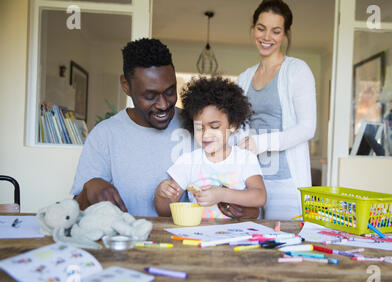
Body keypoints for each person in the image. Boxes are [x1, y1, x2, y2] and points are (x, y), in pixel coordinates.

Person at [70, 38, 188, 216]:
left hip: (187, 241)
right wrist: (89, 189)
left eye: (170, 91)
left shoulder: (198, 127)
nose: (163, 105)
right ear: (126, 85)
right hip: (126, 241)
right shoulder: (105, 135)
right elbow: (75, 211)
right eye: (150, 95)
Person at [236, 0, 317, 220]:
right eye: (261, 28)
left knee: (283, 250)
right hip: (250, 181)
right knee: (248, 248)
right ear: (253, 28)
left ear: (285, 34)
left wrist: (260, 144)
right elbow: (237, 126)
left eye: (276, 31)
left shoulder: (297, 70)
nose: (266, 37)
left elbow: (307, 128)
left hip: (286, 182)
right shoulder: (244, 78)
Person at [154, 77, 266, 219]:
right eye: (200, 128)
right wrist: (160, 194)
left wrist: (221, 194)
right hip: (198, 237)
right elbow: (164, 212)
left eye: (214, 127)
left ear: (233, 124)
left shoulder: (245, 158)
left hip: (236, 236)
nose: (206, 135)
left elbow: (260, 196)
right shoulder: (188, 161)